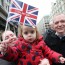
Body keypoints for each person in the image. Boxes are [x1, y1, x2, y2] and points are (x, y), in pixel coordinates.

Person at [0, 24, 65, 65]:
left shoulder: (41, 43)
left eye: (32, 32)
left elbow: (50, 52)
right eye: (26, 33)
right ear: (22, 35)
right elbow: (13, 53)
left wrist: (58, 57)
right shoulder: (19, 44)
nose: (29, 35)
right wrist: (6, 50)